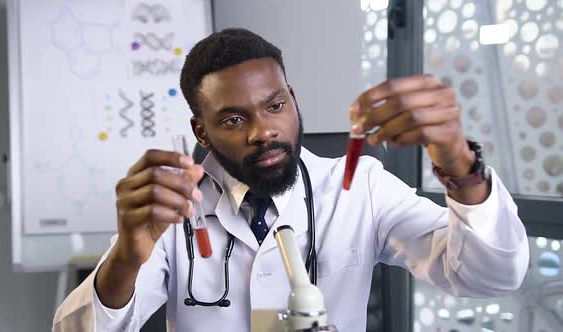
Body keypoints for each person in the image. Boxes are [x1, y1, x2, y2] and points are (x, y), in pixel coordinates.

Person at [53, 28, 529, 332]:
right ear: (201, 130)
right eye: (234, 120)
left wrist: (462, 168)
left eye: (275, 106)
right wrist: (125, 260)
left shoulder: (359, 186)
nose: (265, 132)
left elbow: (491, 275)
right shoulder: (174, 210)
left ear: (293, 99)